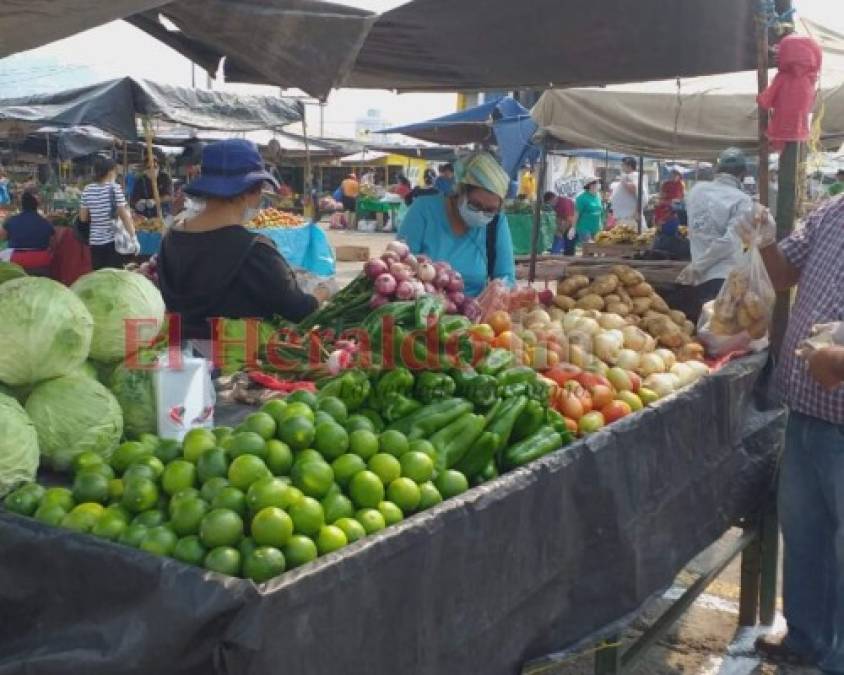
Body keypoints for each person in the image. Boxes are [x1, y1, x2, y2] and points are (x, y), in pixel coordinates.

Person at [741, 198, 844, 673]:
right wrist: (762, 239)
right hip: (804, 410)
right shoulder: (832, 212)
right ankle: (806, 638)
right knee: (804, 535)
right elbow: (782, 276)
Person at [157, 139, 321, 341]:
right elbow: (298, 310)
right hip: (238, 364)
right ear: (251, 190)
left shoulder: (171, 240)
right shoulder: (256, 251)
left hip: (181, 360)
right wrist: (321, 294)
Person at [398, 151, 516, 297]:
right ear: (460, 192)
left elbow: (506, 275)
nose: (481, 213)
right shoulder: (424, 210)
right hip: (424, 310)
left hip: (474, 313)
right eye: (475, 205)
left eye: (490, 210)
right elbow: (401, 264)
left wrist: (500, 289)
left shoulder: (496, 222)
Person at [678, 147, 751, 321]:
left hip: (698, 278)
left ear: (716, 170)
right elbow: (730, 242)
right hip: (723, 279)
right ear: (743, 173)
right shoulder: (742, 200)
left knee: (698, 334)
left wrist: (697, 267)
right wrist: (697, 267)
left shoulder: (696, 191)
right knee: (718, 336)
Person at [80, 156, 138, 270]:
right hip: (113, 242)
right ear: (110, 171)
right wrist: (133, 237)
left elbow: (83, 218)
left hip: (95, 242)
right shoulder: (114, 188)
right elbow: (125, 217)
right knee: (114, 276)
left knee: (100, 276)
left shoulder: (87, 189)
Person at [0, 189, 55, 269]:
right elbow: (51, 243)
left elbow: (2, 237)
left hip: (16, 261)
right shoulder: (46, 222)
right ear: (36, 206)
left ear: (22, 206)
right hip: (42, 261)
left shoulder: (12, 220)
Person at [611, 156, 648, 225]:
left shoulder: (633, 176)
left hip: (630, 216)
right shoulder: (628, 176)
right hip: (625, 216)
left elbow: (637, 192)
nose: (621, 167)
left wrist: (624, 182)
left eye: (623, 165)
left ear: (629, 166)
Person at [543, 191, 575, 255]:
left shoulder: (564, 203)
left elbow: (570, 220)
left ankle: (557, 255)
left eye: (549, 203)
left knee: (567, 244)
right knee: (558, 236)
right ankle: (554, 254)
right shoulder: (556, 204)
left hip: (573, 224)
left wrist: (561, 231)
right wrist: (558, 229)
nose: (550, 205)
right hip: (566, 221)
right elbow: (558, 218)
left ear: (553, 198)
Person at [574, 177, 604, 246]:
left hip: (597, 228)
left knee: (598, 249)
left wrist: (602, 225)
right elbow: (577, 213)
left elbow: (600, 211)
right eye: (597, 183)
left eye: (598, 183)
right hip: (585, 228)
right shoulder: (581, 198)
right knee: (589, 249)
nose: (599, 184)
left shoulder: (598, 195)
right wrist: (573, 228)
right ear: (590, 185)